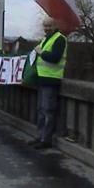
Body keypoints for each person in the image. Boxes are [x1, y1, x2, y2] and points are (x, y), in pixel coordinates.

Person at [28, 16, 67, 150]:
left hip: (51, 79)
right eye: (45, 26)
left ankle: (46, 139)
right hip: (42, 79)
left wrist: (41, 52)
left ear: (55, 26)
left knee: (48, 110)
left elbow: (55, 58)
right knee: (41, 110)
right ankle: (40, 136)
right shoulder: (46, 39)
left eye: (49, 26)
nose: (46, 28)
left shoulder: (60, 39)